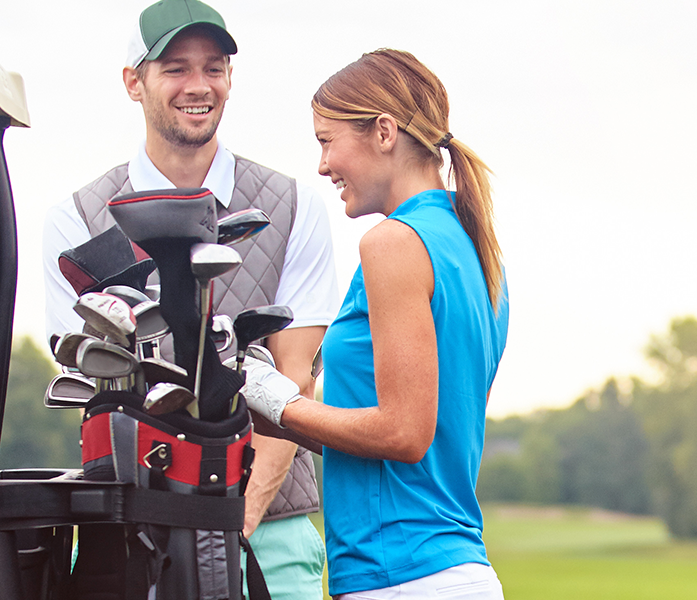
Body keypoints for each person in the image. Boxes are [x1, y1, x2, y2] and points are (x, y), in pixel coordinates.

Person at [37, 1, 333, 597]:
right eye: (175, 68)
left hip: (268, 533)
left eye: (214, 68)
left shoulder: (295, 205)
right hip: (136, 528)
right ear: (133, 82)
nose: (198, 86)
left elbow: (292, 384)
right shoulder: (76, 219)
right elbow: (99, 392)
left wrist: (228, 522)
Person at [236, 49, 510, 599]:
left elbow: (405, 434)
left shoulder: (392, 244)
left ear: (384, 131)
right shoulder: (473, 247)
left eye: (326, 140)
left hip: (403, 576)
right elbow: (406, 440)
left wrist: (282, 402)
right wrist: (277, 416)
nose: (321, 165)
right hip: (447, 573)